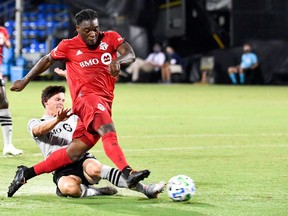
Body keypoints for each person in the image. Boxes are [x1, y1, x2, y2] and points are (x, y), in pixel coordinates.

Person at [7, 9, 150, 197]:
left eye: (96, 29)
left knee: (73, 153)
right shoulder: (68, 46)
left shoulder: (110, 38)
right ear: (77, 29)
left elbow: (130, 54)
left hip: (104, 101)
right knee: (108, 131)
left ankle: (26, 173)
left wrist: (119, 60)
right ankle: (127, 172)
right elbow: (47, 59)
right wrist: (25, 80)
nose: (93, 34)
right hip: (86, 100)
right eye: (87, 30)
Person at [21, 85, 165, 198]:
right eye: (57, 99)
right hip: (60, 168)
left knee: (95, 168)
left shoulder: (73, 116)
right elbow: (39, 131)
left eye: (63, 100)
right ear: (46, 101)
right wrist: (58, 120)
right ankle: (94, 192)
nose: (61, 103)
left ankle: (146, 189)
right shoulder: (35, 122)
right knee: (69, 188)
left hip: (82, 159)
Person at [0, 25, 23, 156]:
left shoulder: (2, 30)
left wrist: (4, 39)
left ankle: (8, 145)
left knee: (3, 103)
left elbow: (7, 45)